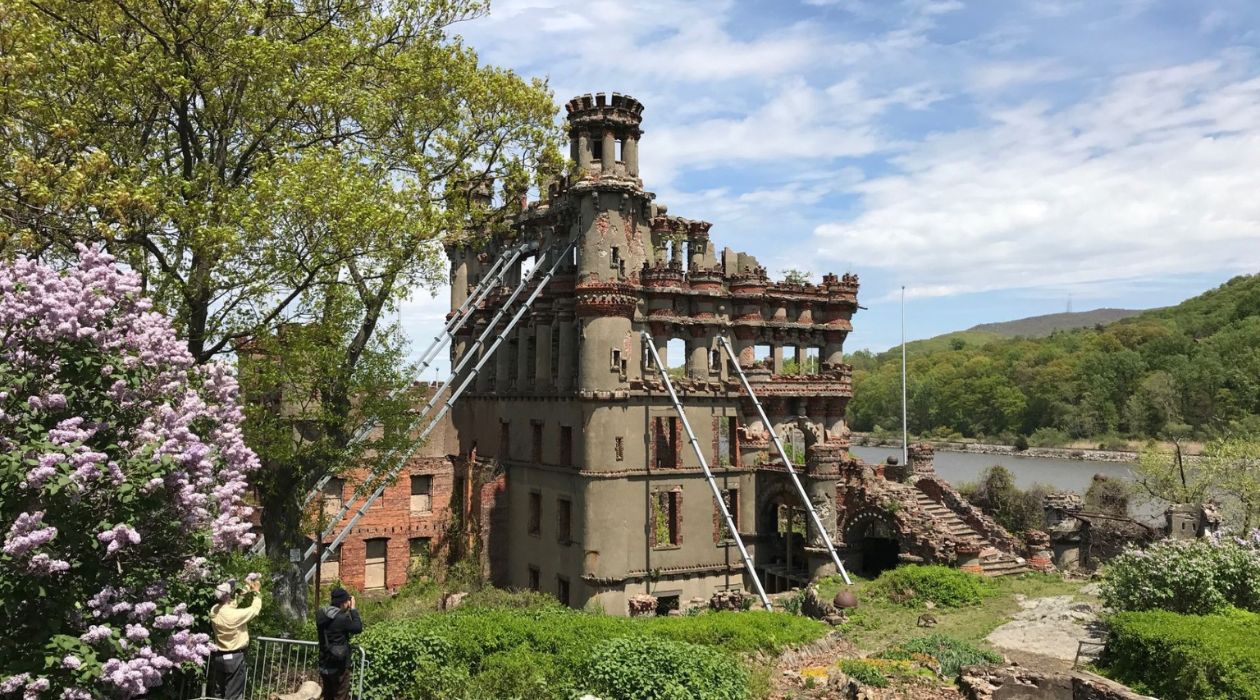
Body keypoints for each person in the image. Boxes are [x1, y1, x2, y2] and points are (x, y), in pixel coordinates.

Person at [209, 575, 263, 700]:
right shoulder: (234, 615)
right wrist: (256, 592)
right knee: (233, 696)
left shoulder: (214, 610)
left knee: (219, 694)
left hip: (219, 657)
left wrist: (247, 588)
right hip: (235, 658)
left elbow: (232, 604)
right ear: (228, 596)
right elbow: (255, 609)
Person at [316, 587, 362, 700]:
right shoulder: (341, 618)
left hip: (324, 663)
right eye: (347, 600)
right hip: (339, 666)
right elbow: (358, 628)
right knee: (341, 696)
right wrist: (353, 609)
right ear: (343, 602)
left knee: (328, 696)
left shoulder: (321, 615)